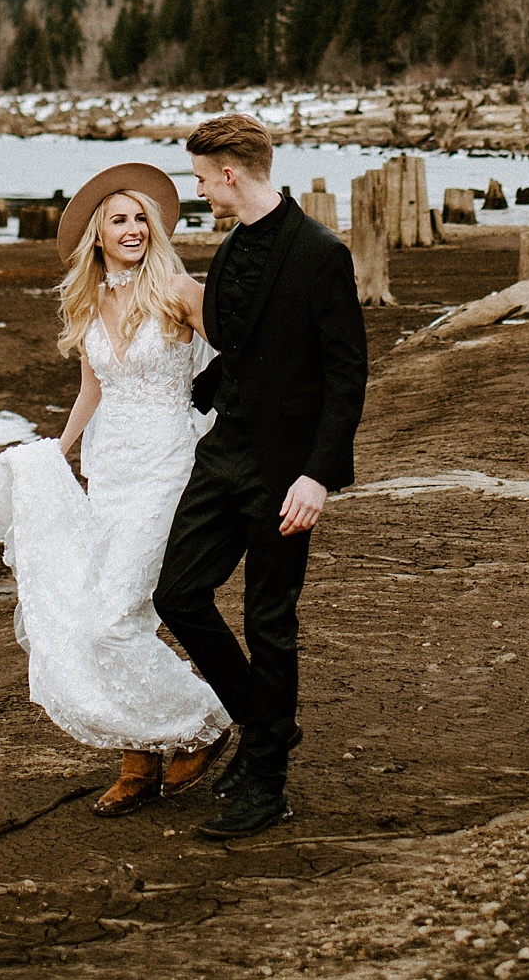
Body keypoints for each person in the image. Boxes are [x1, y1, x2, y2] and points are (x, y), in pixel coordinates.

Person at [0, 164, 233, 815]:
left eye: (140, 218)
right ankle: (139, 756)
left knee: (116, 619)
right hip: (111, 471)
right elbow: (93, 391)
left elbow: (239, 363)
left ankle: (206, 720)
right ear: (97, 235)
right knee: (102, 615)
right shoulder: (90, 303)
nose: (131, 229)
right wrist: (53, 455)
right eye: (118, 220)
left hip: (169, 465)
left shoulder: (180, 292)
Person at [153, 112, 369, 840]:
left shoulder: (320, 253)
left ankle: (266, 782)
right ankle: (266, 725)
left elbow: (346, 375)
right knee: (178, 593)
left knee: (268, 619)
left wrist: (318, 477)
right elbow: (237, 344)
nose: (199, 190)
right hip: (224, 451)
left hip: (285, 468)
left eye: (201, 178)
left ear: (231, 174)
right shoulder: (235, 245)